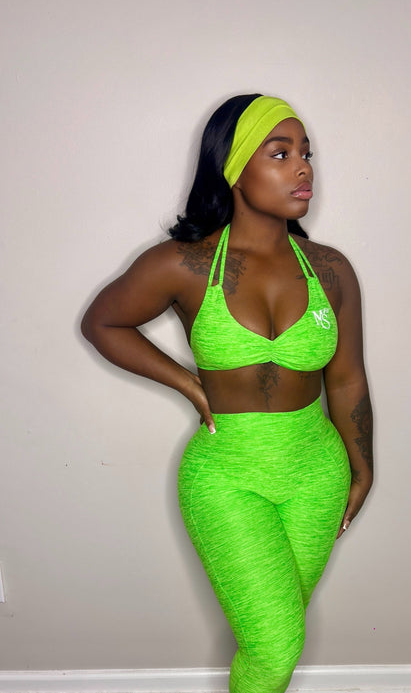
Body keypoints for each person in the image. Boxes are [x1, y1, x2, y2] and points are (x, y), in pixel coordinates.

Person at [81, 93, 373, 693]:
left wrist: (362, 466)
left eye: (306, 153)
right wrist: (189, 384)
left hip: (317, 474)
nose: (303, 168)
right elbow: (103, 323)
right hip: (227, 478)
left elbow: (347, 378)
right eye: (280, 153)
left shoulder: (330, 269)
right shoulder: (185, 264)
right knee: (276, 645)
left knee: (272, 644)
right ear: (234, 168)